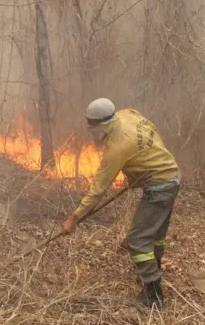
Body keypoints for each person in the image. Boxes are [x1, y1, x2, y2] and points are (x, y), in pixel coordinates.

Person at [61, 98, 180, 310]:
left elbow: (98, 190)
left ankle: (154, 295)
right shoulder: (128, 114)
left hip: (159, 187)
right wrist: (142, 167)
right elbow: (151, 132)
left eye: (93, 127)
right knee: (156, 236)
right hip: (171, 176)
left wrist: (74, 218)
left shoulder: (118, 147)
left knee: (138, 240)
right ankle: (154, 271)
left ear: (103, 125)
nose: (91, 131)